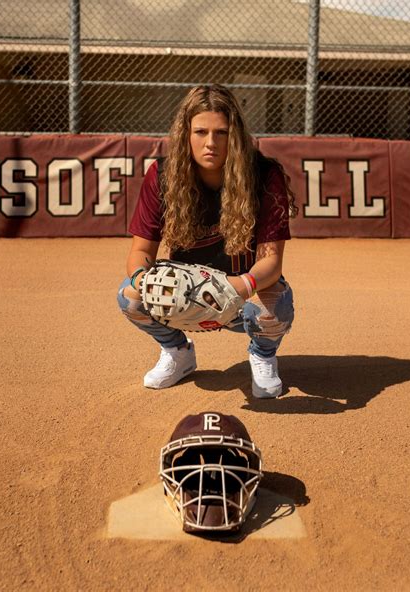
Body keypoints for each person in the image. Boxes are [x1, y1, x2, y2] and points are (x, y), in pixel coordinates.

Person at [117, 84, 296, 398]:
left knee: (276, 306)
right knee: (129, 296)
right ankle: (178, 352)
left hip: (240, 296)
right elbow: (140, 252)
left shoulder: (264, 176)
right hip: (183, 297)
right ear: (186, 133)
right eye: (200, 131)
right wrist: (144, 280)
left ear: (236, 135)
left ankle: (263, 353)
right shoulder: (162, 175)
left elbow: (271, 261)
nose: (210, 142)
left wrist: (235, 288)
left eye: (222, 133)